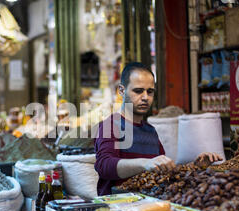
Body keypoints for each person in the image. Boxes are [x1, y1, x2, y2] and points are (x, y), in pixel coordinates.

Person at [94, 62, 222, 196]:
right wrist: (145, 163)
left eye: (150, 92)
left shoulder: (151, 131)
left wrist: (195, 166)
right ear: (121, 90)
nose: (145, 97)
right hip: (118, 207)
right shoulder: (110, 125)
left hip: (149, 204)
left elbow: (163, 171)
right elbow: (104, 166)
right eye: (138, 91)